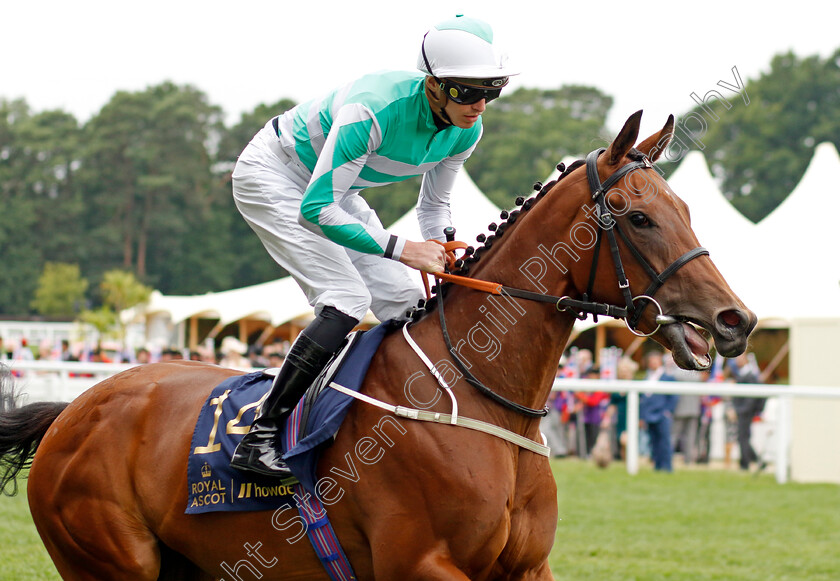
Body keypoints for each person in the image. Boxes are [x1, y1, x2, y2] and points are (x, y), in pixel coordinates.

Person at [229, 15, 518, 477]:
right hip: (276, 176)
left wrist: (444, 246)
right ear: (434, 85)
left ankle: (387, 425)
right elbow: (315, 209)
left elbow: (434, 208)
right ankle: (261, 435)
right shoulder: (373, 109)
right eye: (467, 92)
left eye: (492, 90)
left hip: (337, 192)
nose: (479, 105)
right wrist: (404, 250)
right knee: (346, 299)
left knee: (403, 301)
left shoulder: (467, 130)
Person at [640, 351, 678, 472]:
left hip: (662, 414)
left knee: (664, 441)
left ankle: (667, 467)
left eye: (655, 360)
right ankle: (657, 465)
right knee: (653, 441)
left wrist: (667, 411)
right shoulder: (647, 377)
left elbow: (674, 396)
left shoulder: (668, 377)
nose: (653, 363)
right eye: (651, 361)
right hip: (649, 414)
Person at [729, 353, 765, 471]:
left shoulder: (750, 376)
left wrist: (740, 411)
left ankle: (745, 463)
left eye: (740, 358)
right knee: (743, 437)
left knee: (743, 437)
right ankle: (757, 461)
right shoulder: (742, 374)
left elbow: (751, 398)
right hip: (743, 411)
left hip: (745, 412)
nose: (737, 361)